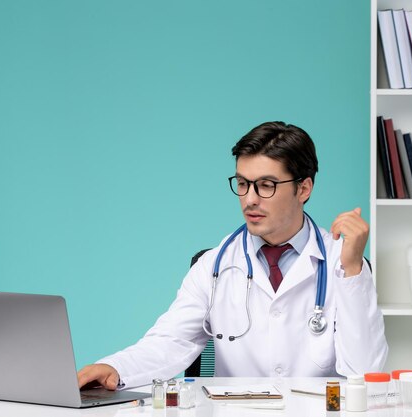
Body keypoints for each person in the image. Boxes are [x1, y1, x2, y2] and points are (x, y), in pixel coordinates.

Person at [77, 121, 388, 390]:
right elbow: (169, 342)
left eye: (266, 185)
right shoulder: (214, 265)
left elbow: (367, 372)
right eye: (242, 184)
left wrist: (351, 269)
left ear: (303, 188)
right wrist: (115, 368)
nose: (249, 199)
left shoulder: (342, 262)